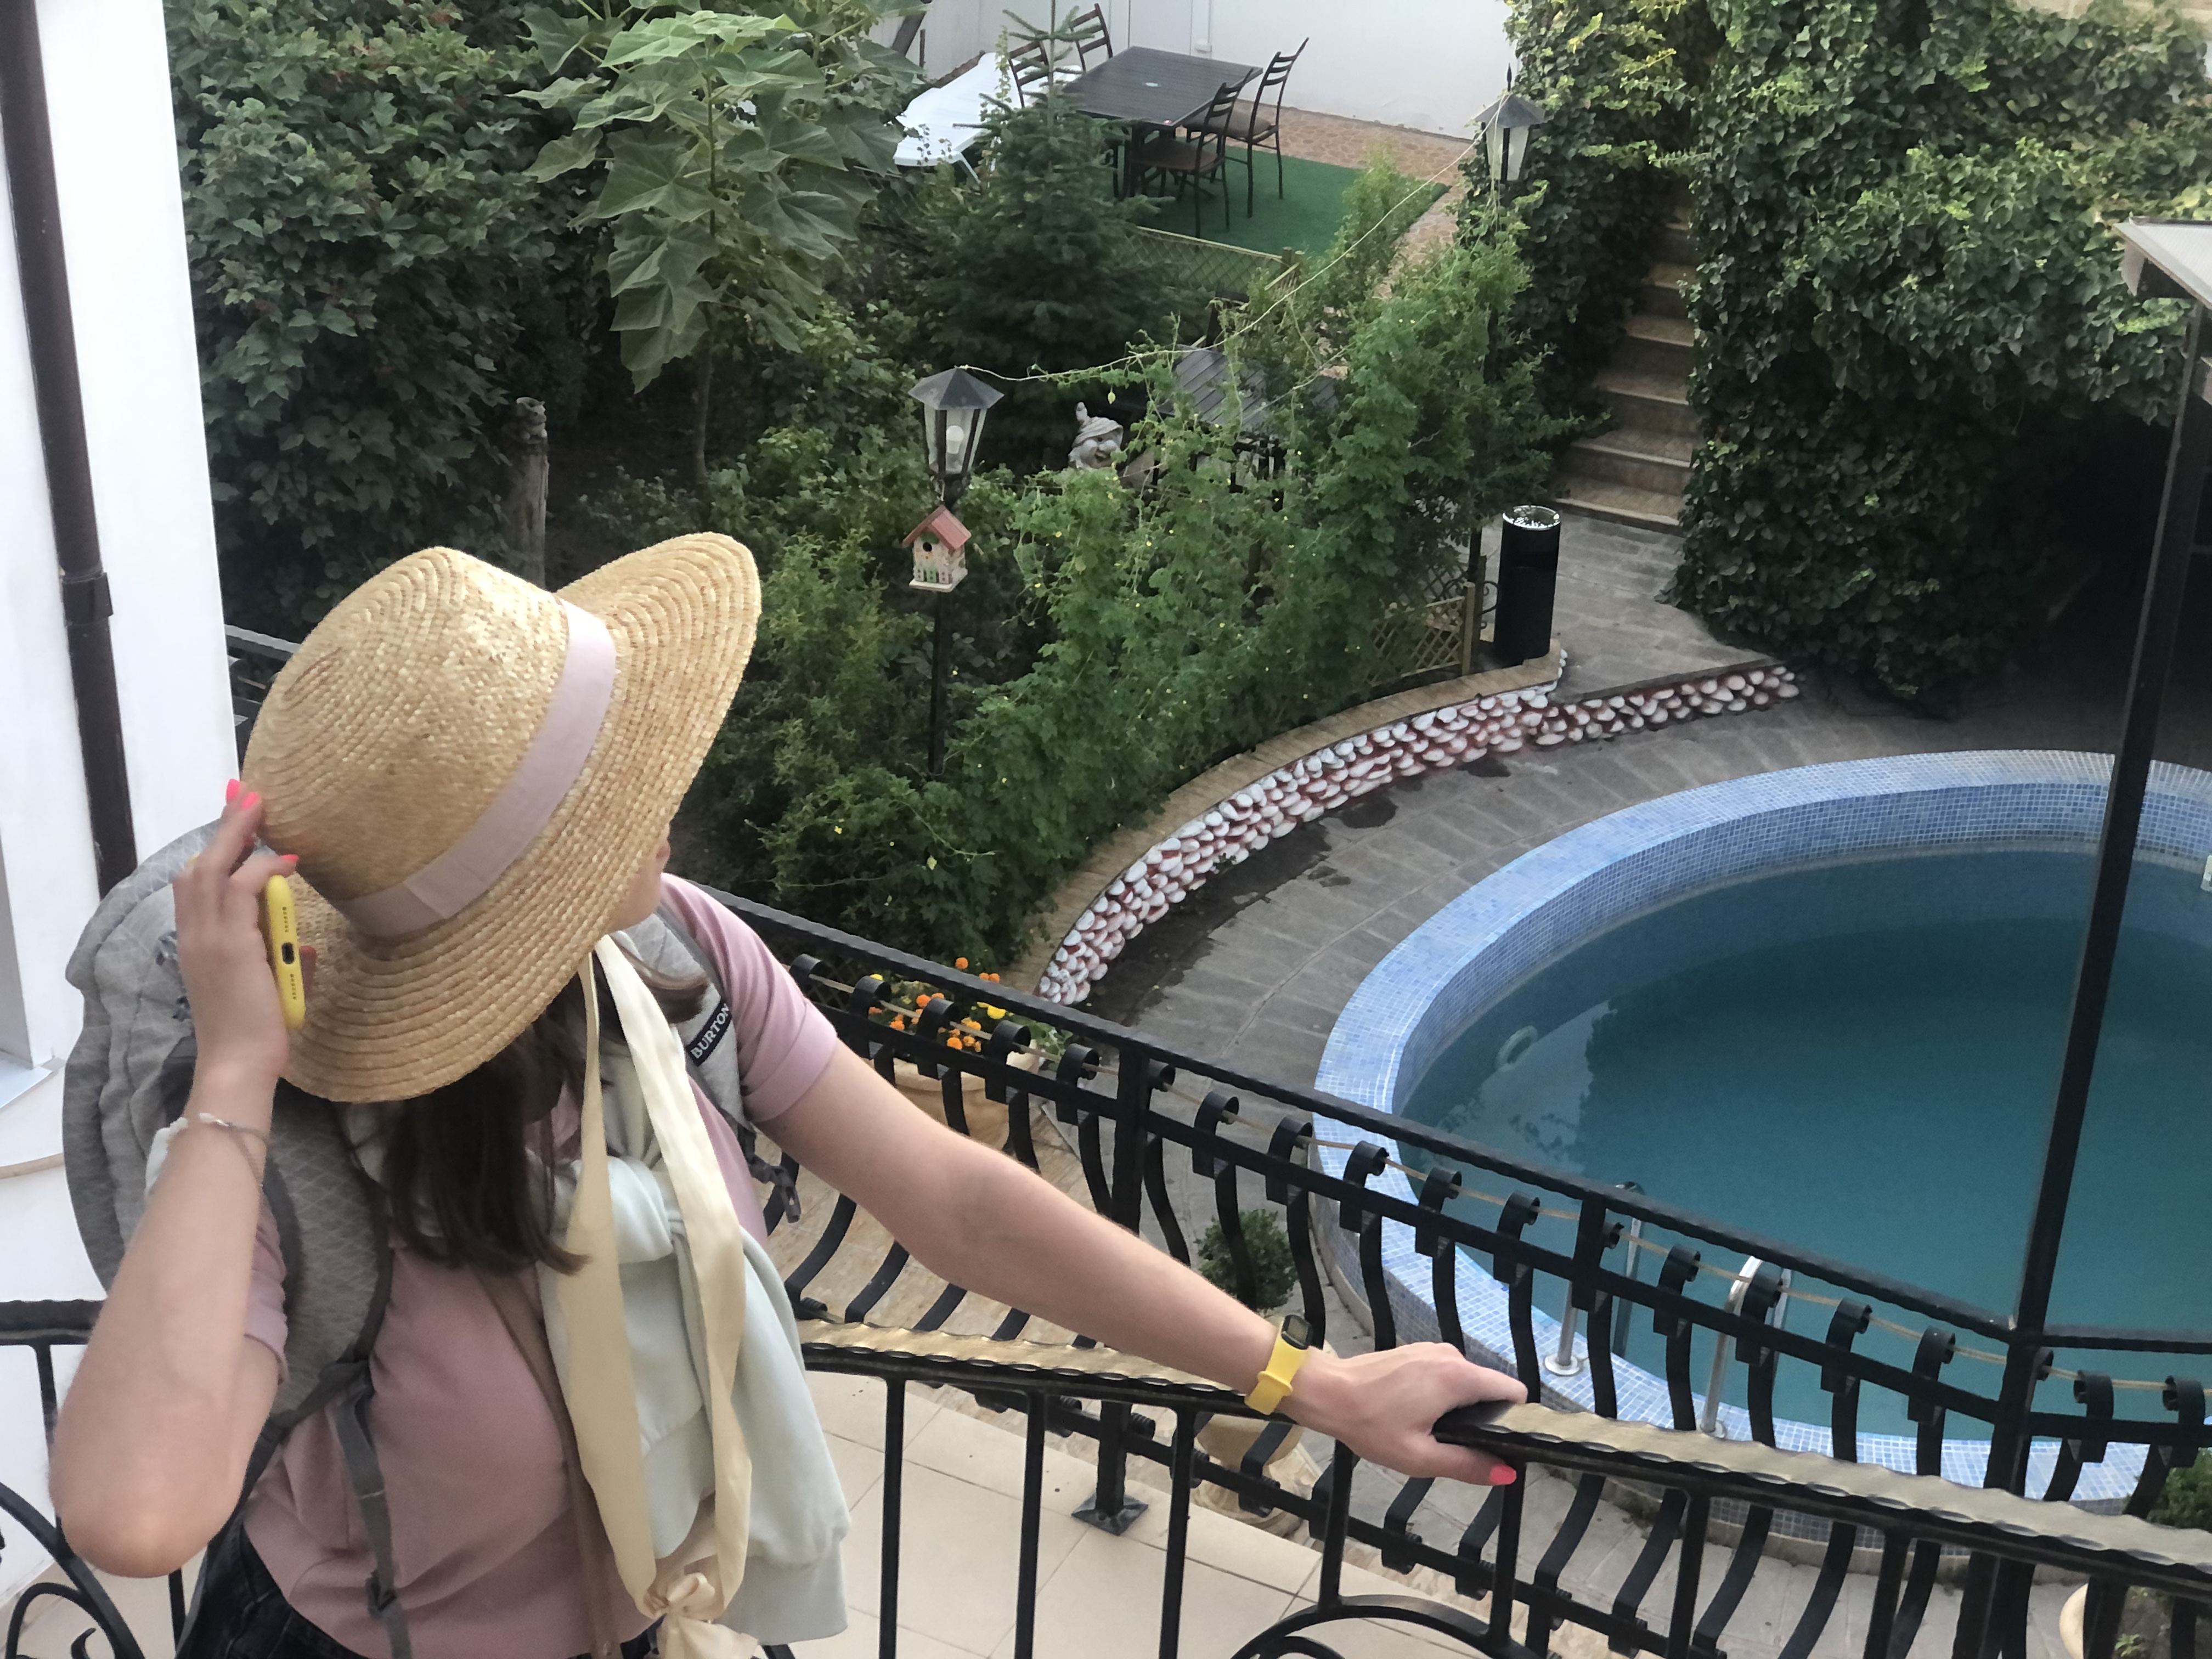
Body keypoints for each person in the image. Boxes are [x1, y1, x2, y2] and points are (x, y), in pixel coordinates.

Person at [50, 535, 1522, 1659]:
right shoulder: (295, 1151)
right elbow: (134, 1510)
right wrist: (234, 1076)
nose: (665, 792)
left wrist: (1309, 1384)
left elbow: (956, 1202)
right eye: (611, 790)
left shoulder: (672, 962)